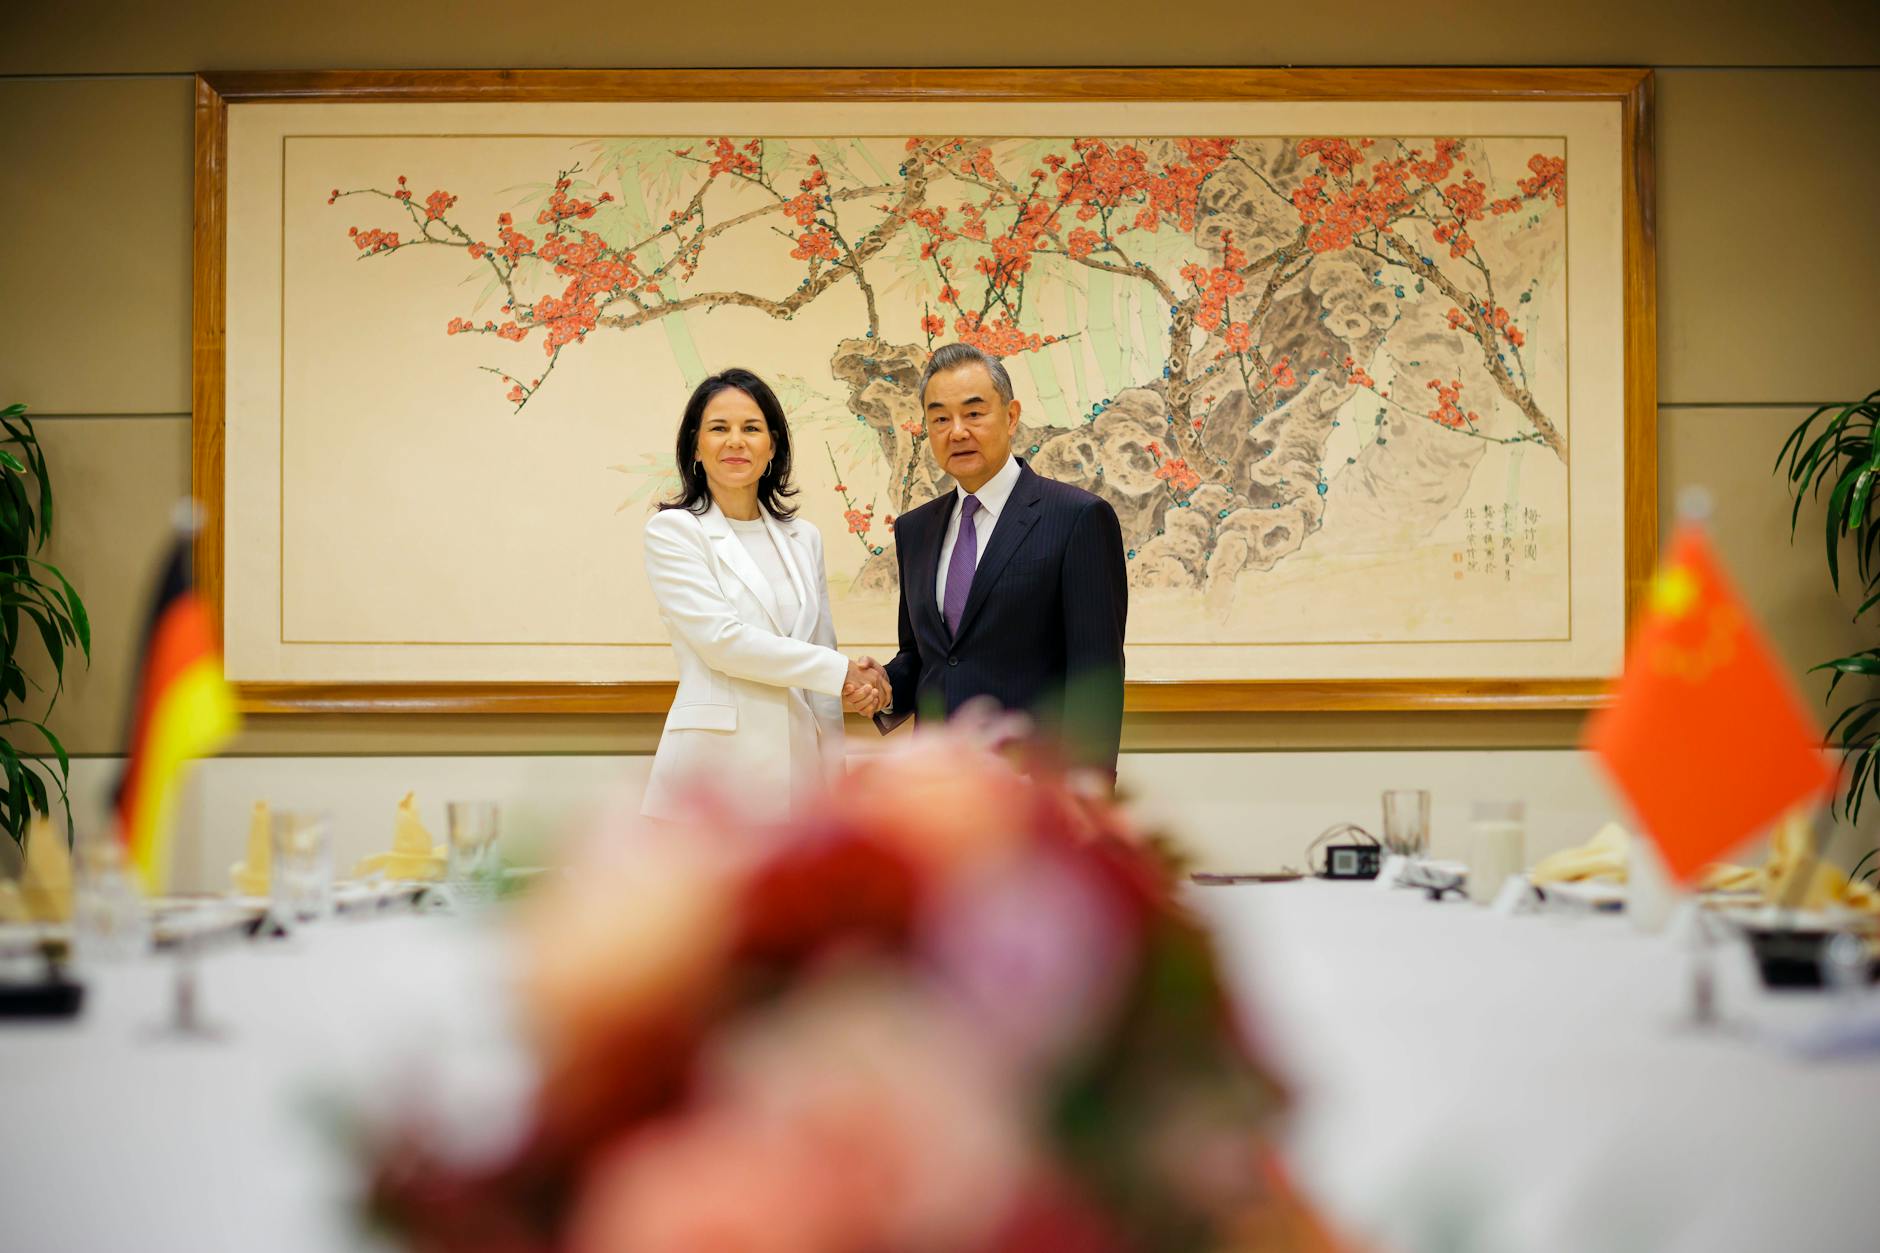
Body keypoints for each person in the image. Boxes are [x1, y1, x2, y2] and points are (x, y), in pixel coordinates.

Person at [850, 343, 1129, 777]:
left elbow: (1097, 682)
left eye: (974, 413)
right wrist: (884, 687)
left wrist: (1084, 808)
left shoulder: (1077, 519)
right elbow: (926, 657)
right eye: (940, 418)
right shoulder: (915, 529)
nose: (957, 431)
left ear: (1011, 416)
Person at [641, 368, 883, 822]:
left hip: (801, 780)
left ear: (772, 447)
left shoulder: (803, 537)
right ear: (696, 446)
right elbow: (722, 642)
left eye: (751, 428)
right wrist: (842, 671)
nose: (736, 441)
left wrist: (835, 786)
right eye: (719, 429)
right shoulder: (674, 531)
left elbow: (819, 653)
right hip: (713, 779)